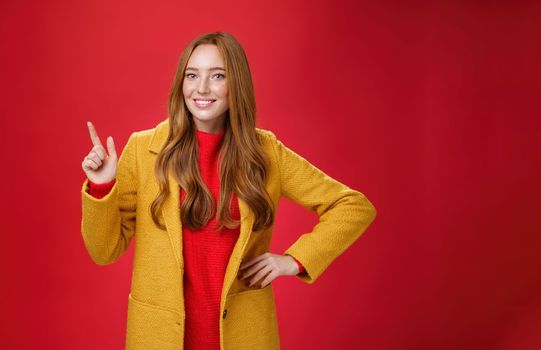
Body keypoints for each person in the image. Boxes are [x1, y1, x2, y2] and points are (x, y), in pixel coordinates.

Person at [79, 31, 377, 350]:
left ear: (235, 85)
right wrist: (102, 185)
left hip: (244, 337)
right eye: (192, 75)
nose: (202, 88)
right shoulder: (142, 149)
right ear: (181, 82)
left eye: (217, 75)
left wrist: (294, 260)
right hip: (159, 337)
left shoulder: (266, 153)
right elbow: (104, 250)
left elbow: (353, 206)